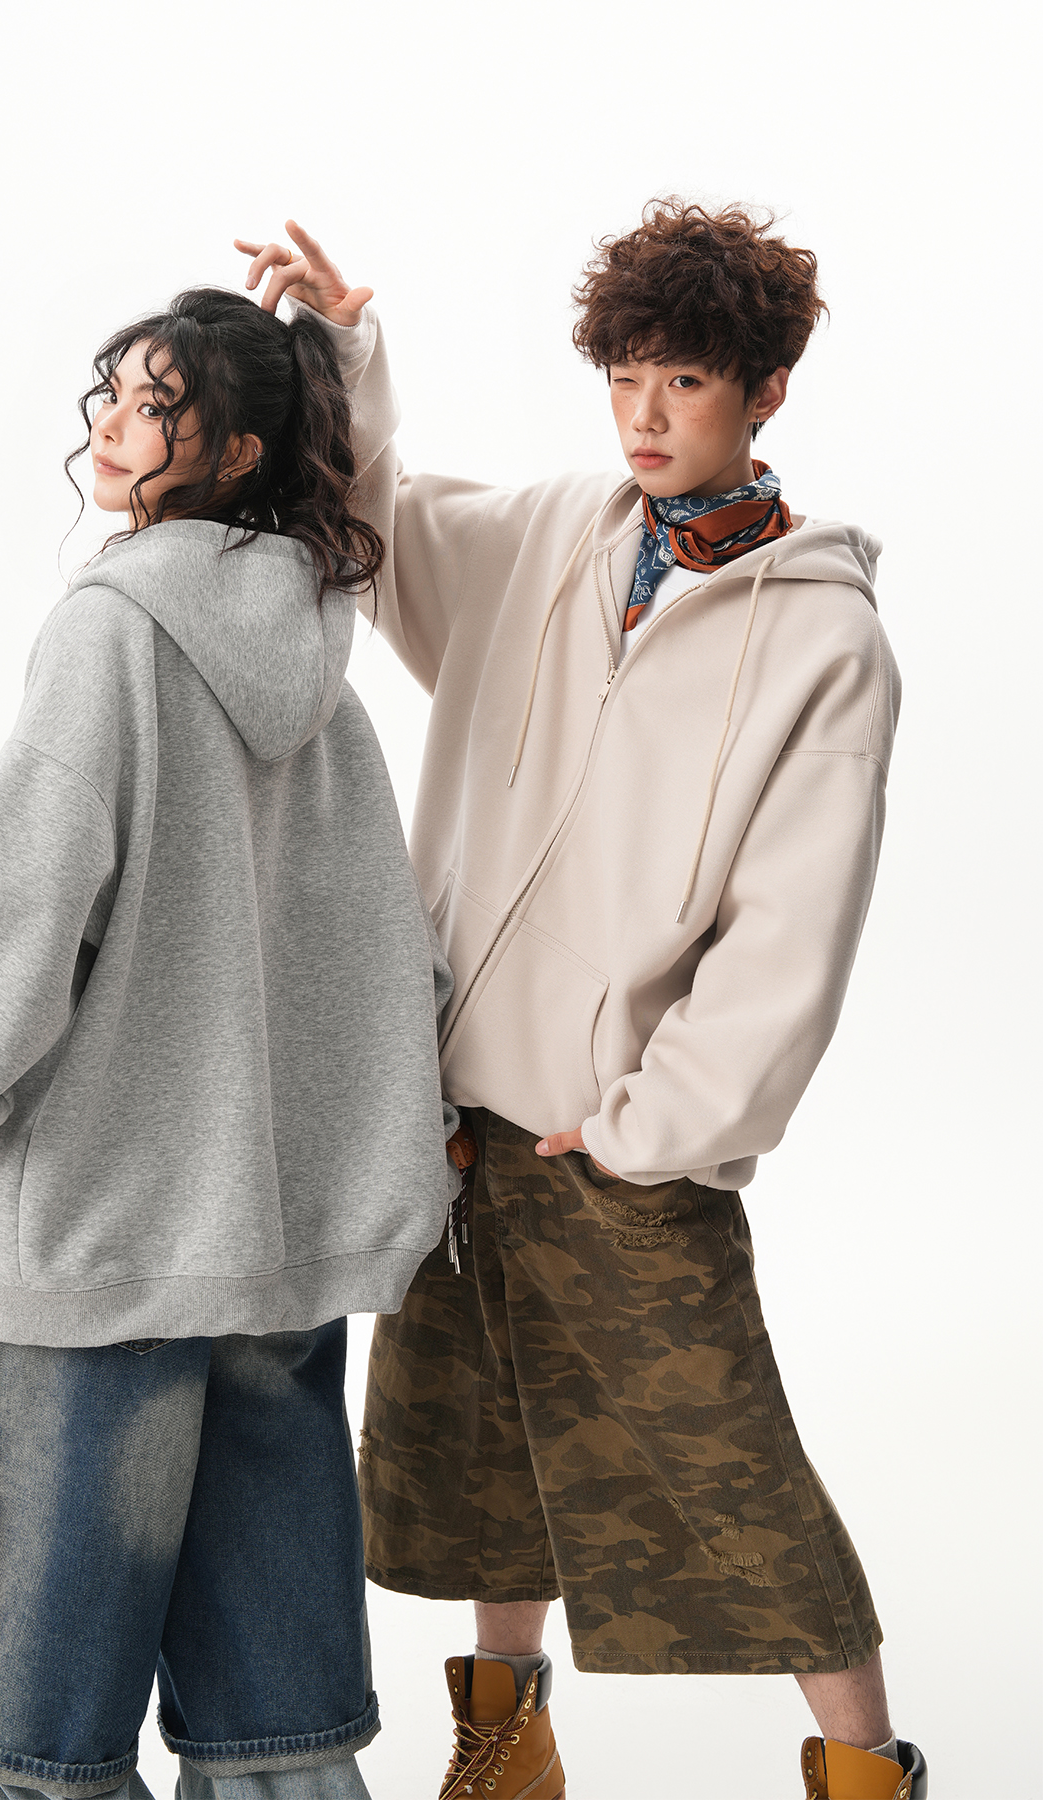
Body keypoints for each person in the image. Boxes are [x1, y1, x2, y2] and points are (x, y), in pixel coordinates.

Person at [235, 206, 928, 1800]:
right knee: (485, 1448)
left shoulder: (824, 639)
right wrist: (341, 349)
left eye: (681, 380)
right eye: (622, 377)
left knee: (729, 1473)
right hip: (455, 1117)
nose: (642, 416)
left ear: (763, 390)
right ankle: (507, 1748)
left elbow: (791, 932)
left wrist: (650, 1129)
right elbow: (378, 522)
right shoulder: (556, 532)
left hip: (618, 1142)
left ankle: (866, 1774)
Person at [0, 285, 462, 1800]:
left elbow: (21, 895)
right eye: (114, 396)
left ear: (238, 448)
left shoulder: (113, 631)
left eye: (157, 405)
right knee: (281, 1734)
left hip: (97, 1253)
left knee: (23, 1742)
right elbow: (376, 939)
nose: (115, 427)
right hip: (272, 1258)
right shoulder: (321, 669)